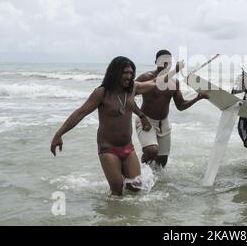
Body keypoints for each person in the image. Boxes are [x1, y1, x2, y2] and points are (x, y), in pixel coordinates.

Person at [49, 56, 182, 195]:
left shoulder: (133, 89)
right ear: (115, 73)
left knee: (136, 187)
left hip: (128, 148)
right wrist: (59, 134)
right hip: (108, 149)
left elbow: (156, 82)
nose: (129, 76)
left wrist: (174, 71)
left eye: (131, 73)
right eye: (125, 73)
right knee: (117, 190)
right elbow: (80, 113)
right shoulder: (102, 93)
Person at [135, 50, 207, 168]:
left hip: (164, 123)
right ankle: (139, 172)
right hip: (146, 120)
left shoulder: (174, 82)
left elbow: (181, 106)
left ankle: (155, 182)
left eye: (168, 62)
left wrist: (197, 98)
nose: (165, 64)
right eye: (162, 61)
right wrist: (141, 116)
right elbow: (129, 96)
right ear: (155, 62)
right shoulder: (145, 77)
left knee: (162, 162)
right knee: (152, 151)